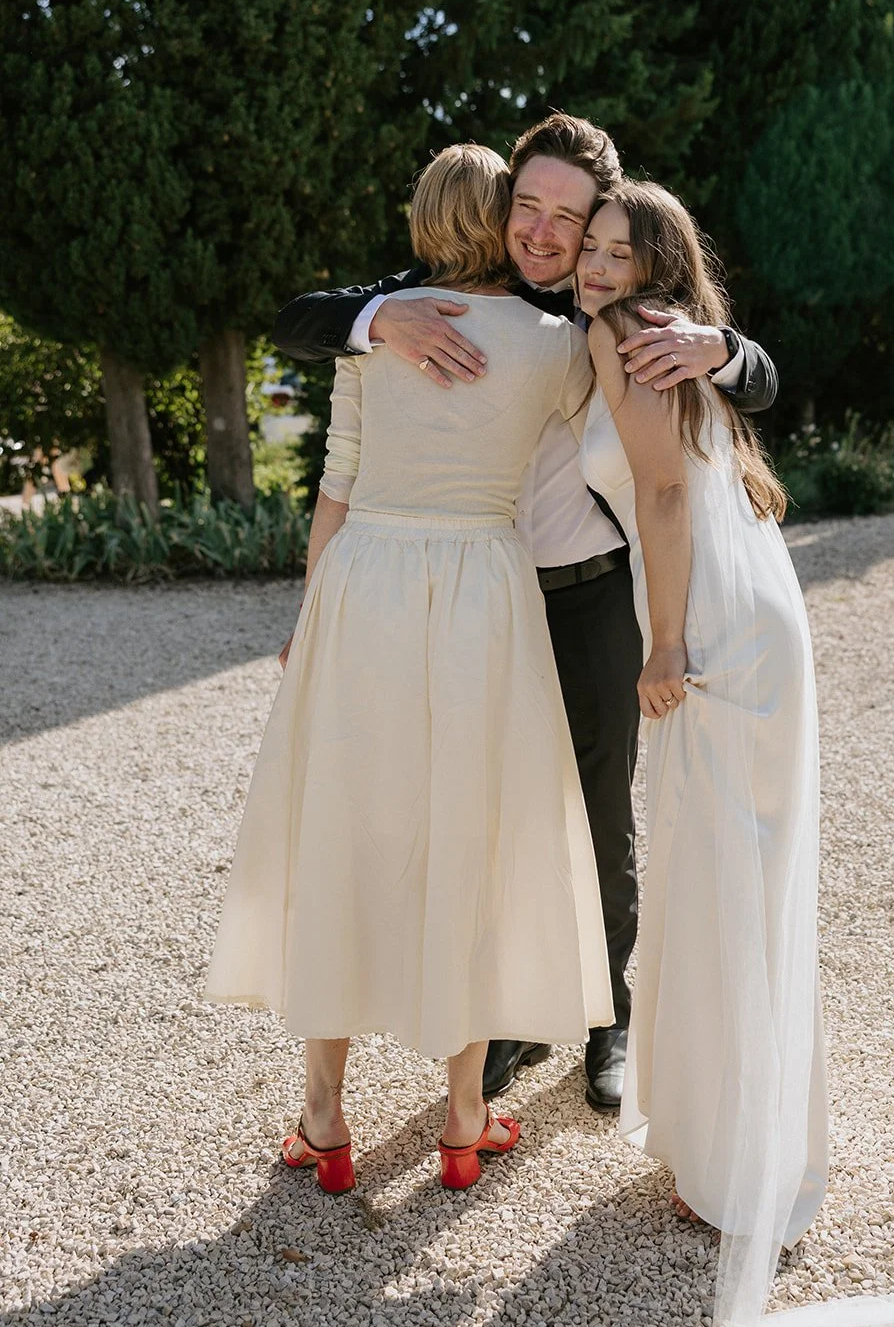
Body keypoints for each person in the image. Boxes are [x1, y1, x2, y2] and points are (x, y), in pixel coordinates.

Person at [576, 181, 894, 1327]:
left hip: (716, 623)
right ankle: (731, 1138)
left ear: (660, 265)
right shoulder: (658, 337)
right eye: (594, 248)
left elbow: (662, 493)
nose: (600, 267)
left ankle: (735, 1165)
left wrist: (664, 643)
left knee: (721, 875)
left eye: (622, 250)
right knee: (734, 873)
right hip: (756, 605)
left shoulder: (632, 340)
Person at [271, 112, 779, 1111]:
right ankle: (503, 1019)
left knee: (597, 812)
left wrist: (721, 347)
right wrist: (381, 322)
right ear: (504, 210)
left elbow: (757, 381)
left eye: (570, 216)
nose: (546, 233)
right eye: (529, 208)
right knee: (482, 819)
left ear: (604, 221)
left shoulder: (623, 311)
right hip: (473, 606)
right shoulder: (429, 301)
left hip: (586, 592)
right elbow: (299, 317)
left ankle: (609, 1019)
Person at [205, 144, 613, 1192]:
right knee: (470, 836)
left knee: (343, 831)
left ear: (421, 221)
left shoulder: (370, 339)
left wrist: (311, 617)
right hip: (484, 587)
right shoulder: (550, 344)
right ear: (497, 220)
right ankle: (467, 1121)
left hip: (366, 585)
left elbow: (334, 489)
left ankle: (324, 1115)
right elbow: (612, 431)